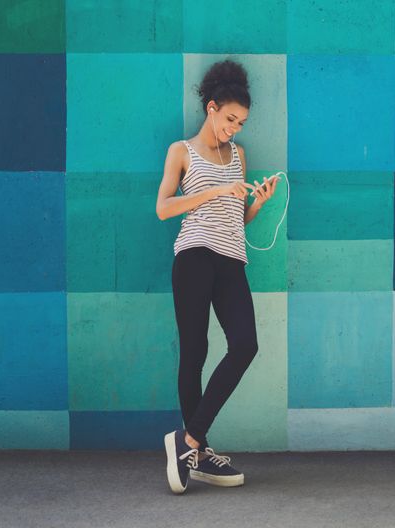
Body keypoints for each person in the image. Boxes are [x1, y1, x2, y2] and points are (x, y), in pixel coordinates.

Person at [155, 59, 280, 494]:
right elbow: (164, 208)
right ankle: (201, 454)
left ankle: (187, 441)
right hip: (193, 255)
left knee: (245, 344)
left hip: (231, 259)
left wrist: (256, 205)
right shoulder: (181, 151)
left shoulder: (239, 156)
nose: (234, 129)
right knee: (195, 351)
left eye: (241, 123)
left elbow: (234, 219)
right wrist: (212, 190)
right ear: (211, 108)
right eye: (230, 119)